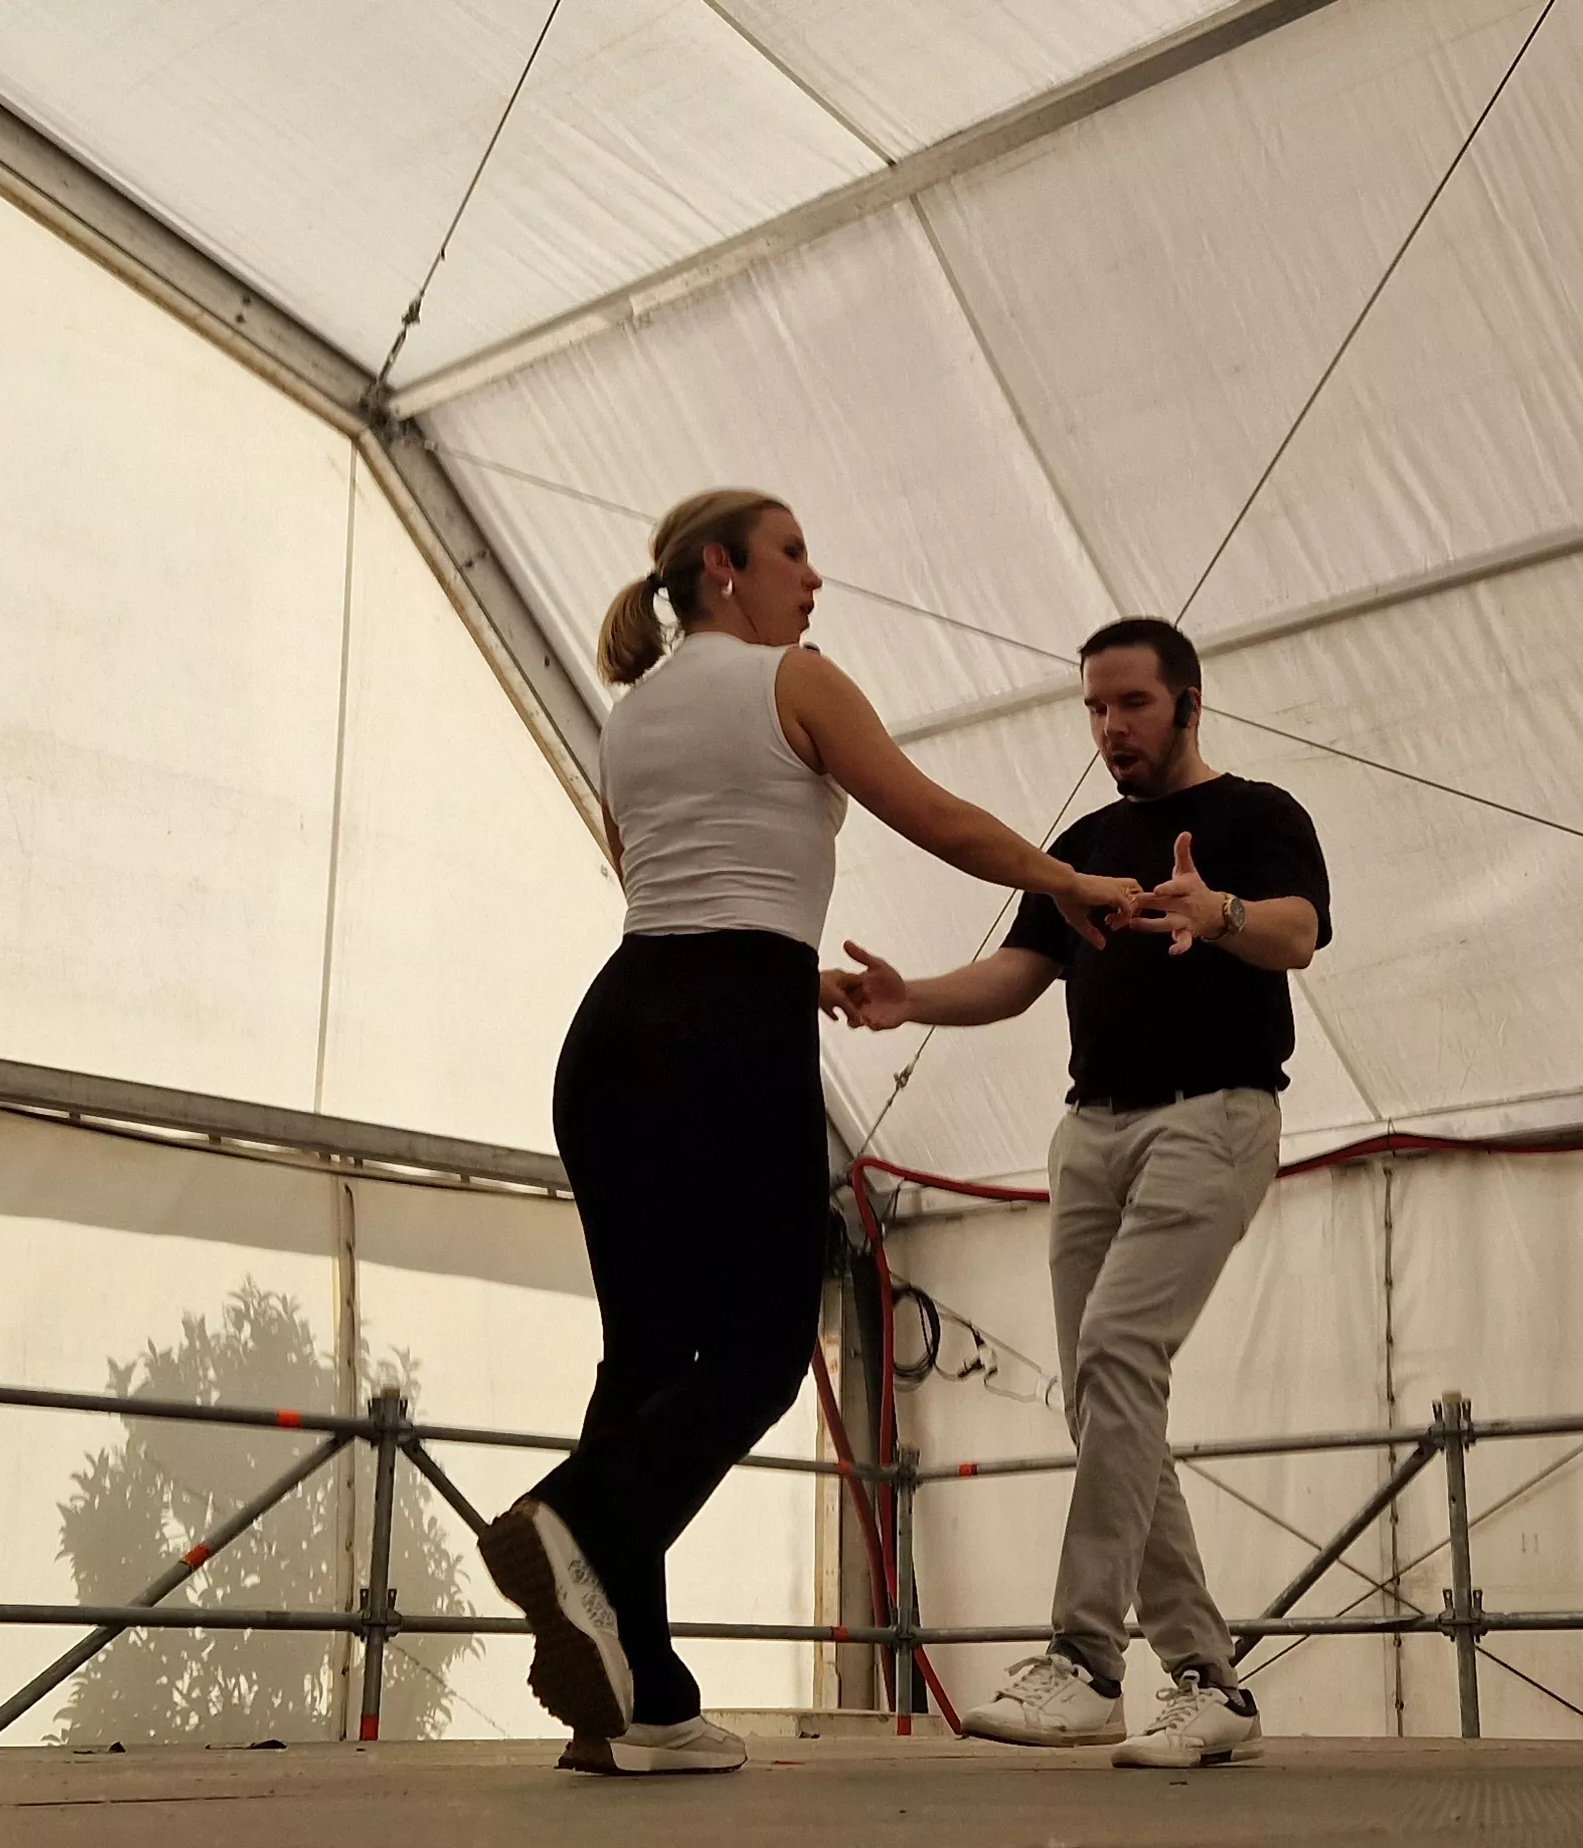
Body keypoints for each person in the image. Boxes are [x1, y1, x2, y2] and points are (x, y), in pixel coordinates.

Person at [483, 490, 1143, 1777]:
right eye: (791, 553)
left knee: (644, 1362)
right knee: (759, 1354)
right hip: (729, 1032)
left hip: (616, 1031)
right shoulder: (796, 679)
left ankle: (643, 1702)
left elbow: (660, 881)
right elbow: (935, 817)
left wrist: (788, 970)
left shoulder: (629, 718)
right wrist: (1067, 881)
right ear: (721, 568)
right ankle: (573, 1516)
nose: (814, 577)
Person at [825, 617, 1329, 1770]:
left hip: (1212, 1117)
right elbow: (1020, 974)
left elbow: (1299, 934)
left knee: (1113, 1354)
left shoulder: (1258, 816)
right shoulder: (1084, 846)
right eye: (1095, 708)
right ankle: (1207, 1682)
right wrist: (912, 999)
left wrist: (1218, 913)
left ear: (1188, 703)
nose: (1109, 728)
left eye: (1131, 704)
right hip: (1090, 1132)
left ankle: (1087, 1659)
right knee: (1105, 1397)